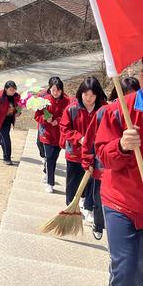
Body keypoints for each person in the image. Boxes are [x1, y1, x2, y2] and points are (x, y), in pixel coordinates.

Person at [96, 86, 143, 286]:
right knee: (126, 270)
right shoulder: (119, 110)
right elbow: (104, 156)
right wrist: (122, 145)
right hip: (121, 201)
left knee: (139, 269)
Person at [82, 77, 140, 240]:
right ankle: (98, 224)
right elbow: (91, 139)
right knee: (97, 200)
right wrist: (87, 160)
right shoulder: (108, 111)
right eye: (126, 93)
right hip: (104, 169)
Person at [60, 76, 106, 209]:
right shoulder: (72, 108)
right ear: (81, 93)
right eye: (86, 94)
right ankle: (70, 206)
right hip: (75, 152)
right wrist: (80, 138)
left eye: (92, 95)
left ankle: (87, 206)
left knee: (91, 182)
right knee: (73, 181)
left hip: (95, 153)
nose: (89, 98)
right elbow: (64, 128)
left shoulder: (103, 109)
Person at [35, 76, 71, 193]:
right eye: (53, 90)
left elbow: (69, 117)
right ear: (49, 89)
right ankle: (50, 183)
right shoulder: (44, 100)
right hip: (47, 134)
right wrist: (46, 119)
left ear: (62, 90)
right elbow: (37, 116)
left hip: (60, 136)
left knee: (54, 158)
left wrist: (59, 120)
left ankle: (47, 171)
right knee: (50, 157)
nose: (55, 93)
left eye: (58, 90)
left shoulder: (67, 101)